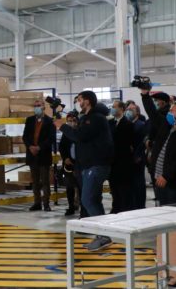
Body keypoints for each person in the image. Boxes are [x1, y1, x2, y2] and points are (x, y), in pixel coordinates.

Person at [60, 91, 114, 251]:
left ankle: (104, 236)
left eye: (80, 100)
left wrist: (62, 126)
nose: (78, 103)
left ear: (88, 101)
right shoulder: (87, 118)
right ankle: (101, 236)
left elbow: (80, 136)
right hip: (88, 166)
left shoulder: (95, 118)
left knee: (87, 200)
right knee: (93, 200)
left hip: (96, 165)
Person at [22, 99, 56, 212]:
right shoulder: (29, 120)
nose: (36, 107)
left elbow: (51, 138)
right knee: (35, 181)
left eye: (39, 105)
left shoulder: (50, 121)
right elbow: (25, 136)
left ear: (44, 107)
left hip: (44, 155)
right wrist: (30, 147)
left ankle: (46, 204)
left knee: (45, 181)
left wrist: (39, 147)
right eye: (35, 106)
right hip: (32, 155)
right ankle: (37, 203)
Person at [140, 90, 171, 184]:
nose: (154, 102)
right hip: (153, 151)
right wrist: (147, 139)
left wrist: (151, 143)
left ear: (163, 102)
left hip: (161, 153)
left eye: (156, 100)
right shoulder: (157, 115)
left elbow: (152, 112)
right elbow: (148, 130)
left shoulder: (166, 115)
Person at [109, 101, 135, 213]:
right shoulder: (110, 123)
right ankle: (115, 208)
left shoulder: (128, 124)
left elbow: (130, 144)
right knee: (114, 188)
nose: (112, 109)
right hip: (112, 161)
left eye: (114, 107)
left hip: (123, 161)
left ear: (121, 109)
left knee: (123, 188)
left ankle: (125, 209)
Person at [58, 112, 83, 217]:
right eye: (69, 121)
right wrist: (65, 158)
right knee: (69, 187)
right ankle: (71, 207)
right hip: (69, 164)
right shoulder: (66, 133)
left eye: (73, 121)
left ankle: (83, 208)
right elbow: (62, 147)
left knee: (81, 187)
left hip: (80, 164)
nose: (72, 123)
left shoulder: (81, 132)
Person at [126, 104, 148, 209]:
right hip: (129, 158)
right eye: (127, 109)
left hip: (138, 158)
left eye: (131, 109)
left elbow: (142, 142)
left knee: (138, 183)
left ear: (137, 112)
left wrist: (137, 155)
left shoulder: (141, 124)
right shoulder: (128, 124)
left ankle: (140, 205)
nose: (128, 111)